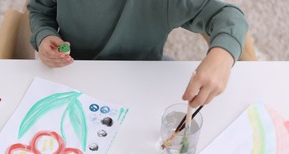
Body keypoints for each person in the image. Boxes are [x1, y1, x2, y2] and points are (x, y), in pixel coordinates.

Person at [27, 1, 248, 108]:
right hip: (69, 74)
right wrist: (43, 35)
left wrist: (222, 56)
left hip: (140, 82)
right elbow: (40, 9)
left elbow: (228, 16)